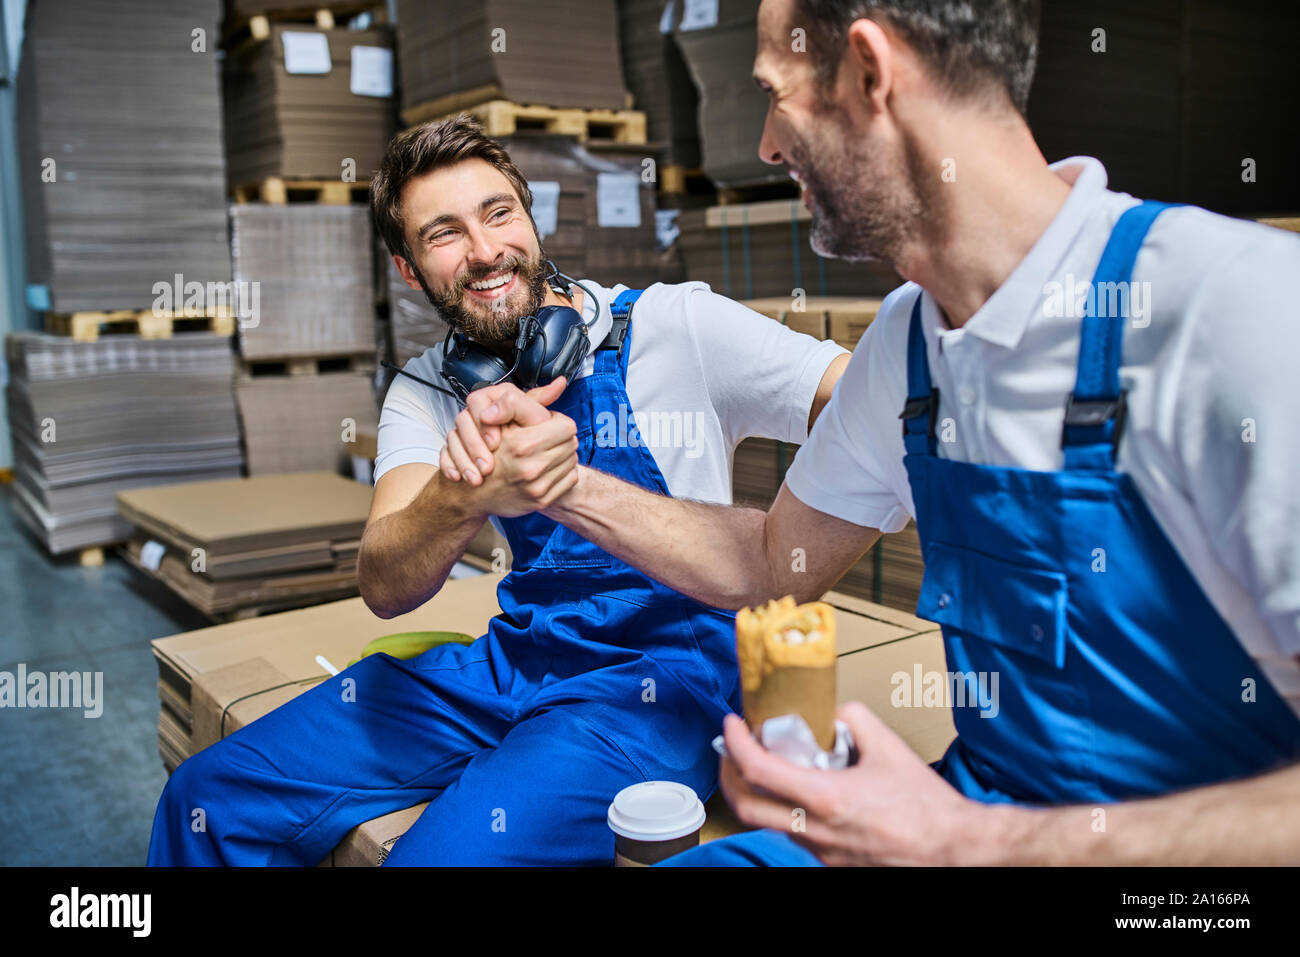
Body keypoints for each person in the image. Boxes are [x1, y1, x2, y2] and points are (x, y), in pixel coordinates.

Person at [439, 0, 1300, 864]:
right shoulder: (906, 345)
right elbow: (771, 564)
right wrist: (562, 480)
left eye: (777, 95)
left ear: (868, 71)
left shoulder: (1237, 308)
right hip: (976, 813)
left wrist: (977, 841)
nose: (769, 144)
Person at [145, 113, 849, 866]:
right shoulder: (426, 387)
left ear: (529, 214)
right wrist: (466, 490)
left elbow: (858, 403)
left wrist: (778, 547)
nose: (485, 252)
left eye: (497, 212)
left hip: (662, 680)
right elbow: (384, 582)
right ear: (409, 269)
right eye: (443, 233)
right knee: (206, 797)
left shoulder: (679, 325)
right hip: (518, 657)